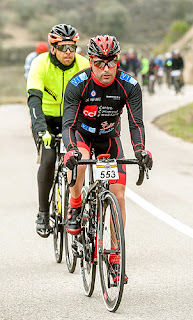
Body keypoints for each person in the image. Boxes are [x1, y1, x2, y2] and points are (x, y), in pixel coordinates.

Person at [62, 34, 153, 235]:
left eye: (111, 62)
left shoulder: (129, 85)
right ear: (90, 61)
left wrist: (140, 150)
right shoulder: (77, 84)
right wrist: (70, 150)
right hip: (82, 135)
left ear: (117, 61)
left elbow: (136, 123)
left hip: (109, 138)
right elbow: (68, 123)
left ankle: (114, 256)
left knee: (118, 195)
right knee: (81, 160)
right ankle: (75, 204)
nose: (106, 69)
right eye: (99, 63)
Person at [27, 24, 89, 238]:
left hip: (72, 117)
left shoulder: (83, 64)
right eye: (63, 48)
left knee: (81, 157)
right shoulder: (40, 64)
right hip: (46, 119)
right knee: (48, 157)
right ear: (52, 48)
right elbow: (34, 100)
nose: (68, 53)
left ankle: (78, 206)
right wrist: (40, 129)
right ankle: (43, 212)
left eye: (72, 47)